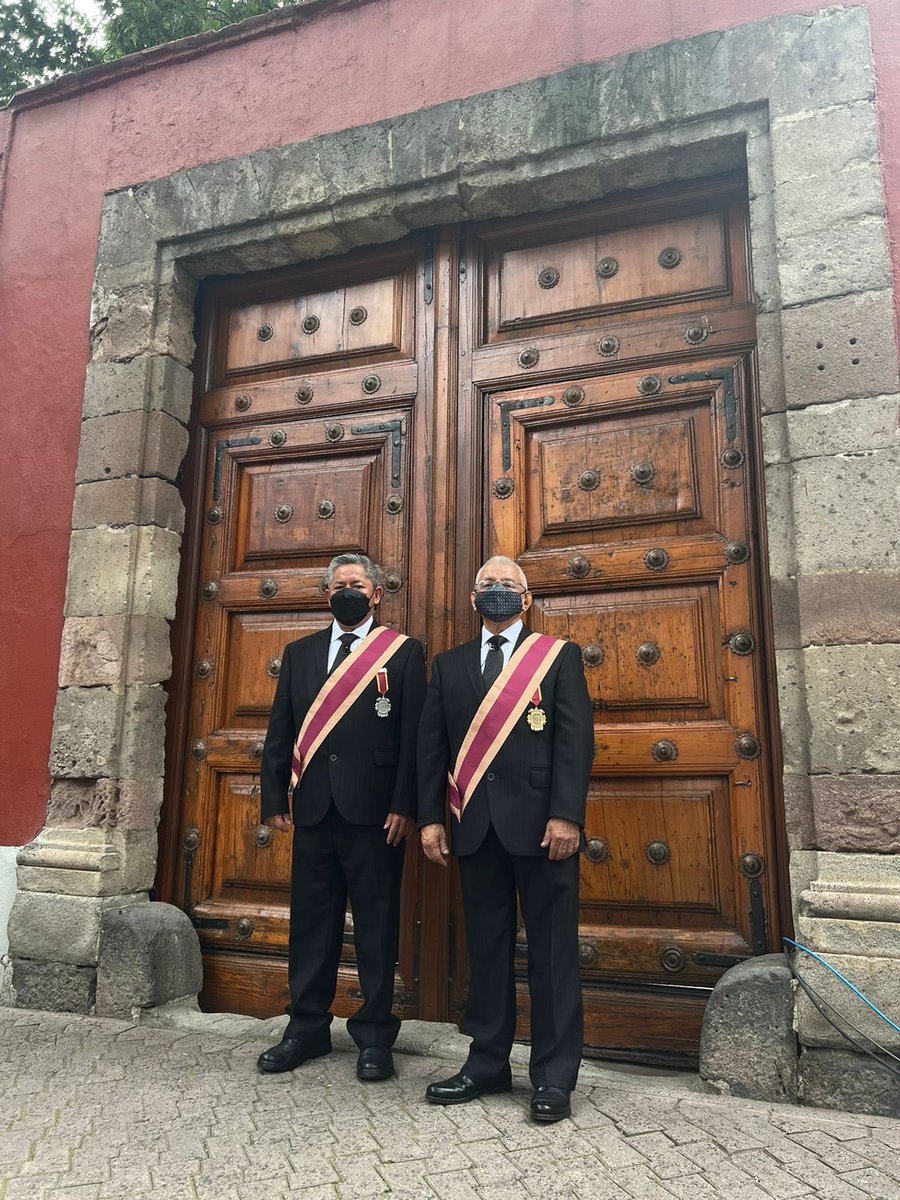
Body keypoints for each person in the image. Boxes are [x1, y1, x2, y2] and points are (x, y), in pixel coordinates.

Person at [417, 555, 594, 1122]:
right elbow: (432, 751)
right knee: (487, 952)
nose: (496, 591)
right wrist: (430, 819)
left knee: (551, 954)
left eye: (507, 584)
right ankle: (488, 1062)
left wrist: (567, 816)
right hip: (475, 827)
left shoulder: (557, 657)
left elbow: (574, 742)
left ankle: (553, 1076)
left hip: (544, 830)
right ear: (473, 599)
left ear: (527, 597)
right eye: (485, 584)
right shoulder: (449, 666)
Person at [257, 552, 425, 1082]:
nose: (347, 590)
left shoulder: (403, 654)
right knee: (311, 923)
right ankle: (306, 1027)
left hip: (377, 814)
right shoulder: (301, 653)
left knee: (376, 923)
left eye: (357, 583)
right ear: (327, 594)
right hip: (313, 808)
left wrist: (406, 805)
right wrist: (272, 800)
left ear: (376, 594)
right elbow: (280, 733)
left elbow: (414, 739)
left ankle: (375, 1033)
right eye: (339, 584)